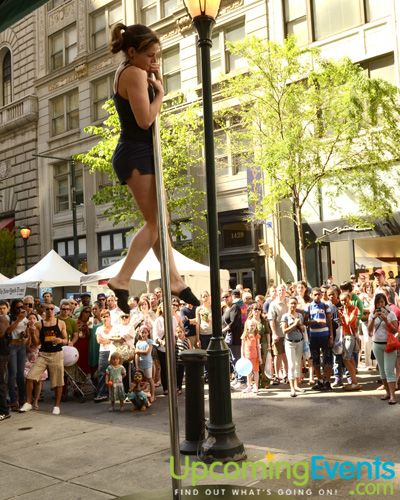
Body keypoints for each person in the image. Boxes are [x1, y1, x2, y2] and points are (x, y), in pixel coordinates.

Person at [104, 23, 199, 313]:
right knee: (157, 222)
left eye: (157, 55)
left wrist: (153, 79)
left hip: (140, 152)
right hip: (135, 153)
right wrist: (160, 94)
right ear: (132, 52)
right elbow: (145, 120)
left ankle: (175, 280)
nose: (154, 62)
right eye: (150, 56)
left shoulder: (134, 69)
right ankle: (121, 278)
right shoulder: (133, 73)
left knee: (161, 222)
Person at [20, 303, 68, 415]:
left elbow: (66, 340)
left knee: (58, 382)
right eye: (48, 309)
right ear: (44, 311)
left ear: (54, 310)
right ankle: (28, 402)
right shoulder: (39, 324)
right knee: (30, 376)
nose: (50, 310)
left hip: (56, 354)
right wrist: (32, 333)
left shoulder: (60, 323)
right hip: (43, 354)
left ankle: (56, 406)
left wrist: (60, 340)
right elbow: (37, 343)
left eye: (52, 308)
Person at [368, 293, 398, 404]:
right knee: (382, 371)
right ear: (375, 304)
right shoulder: (372, 314)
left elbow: (395, 330)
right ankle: (388, 393)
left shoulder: (391, 314)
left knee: (389, 370)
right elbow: (369, 331)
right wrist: (373, 318)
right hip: (377, 344)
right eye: (378, 302)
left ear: (385, 302)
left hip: (389, 344)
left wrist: (386, 320)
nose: (380, 304)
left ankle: (393, 396)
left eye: (382, 302)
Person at [304, 287, 334, 391]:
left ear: (321, 295)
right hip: (313, 337)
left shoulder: (325, 306)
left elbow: (330, 321)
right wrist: (315, 322)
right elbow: (305, 322)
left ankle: (327, 381)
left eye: (319, 294)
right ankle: (320, 381)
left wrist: (331, 336)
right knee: (315, 360)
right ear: (311, 295)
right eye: (315, 294)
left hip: (325, 336)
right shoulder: (308, 307)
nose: (317, 296)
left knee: (327, 359)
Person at [6, 299, 29, 410]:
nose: (20, 309)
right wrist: (18, 320)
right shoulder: (9, 317)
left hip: (21, 347)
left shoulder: (25, 317)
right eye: (17, 307)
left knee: (21, 374)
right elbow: (8, 331)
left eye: (21, 307)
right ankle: (13, 401)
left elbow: (25, 332)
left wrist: (25, 333)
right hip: (12, 347)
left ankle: (22, 399)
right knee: (13, 374)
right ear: (13, 308)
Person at [281, 297, 306, 397]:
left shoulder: (299, 315)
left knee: (297, 364)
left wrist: (300, 325)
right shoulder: (285, 316)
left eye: (295, 303)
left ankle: (296, 385)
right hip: (289, 343)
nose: (293, 305)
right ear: (288, 304)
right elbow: (284, 331)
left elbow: (303, 329)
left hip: (299, 342)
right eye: (291, 303)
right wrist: (294, 324)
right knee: (291, 365)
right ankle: (291, 388)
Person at [338, 293, 361, 391]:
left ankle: (354, 382)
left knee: (346, 359)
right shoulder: (342, 310)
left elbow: (348, 321)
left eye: (345, 300)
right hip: (343, 336)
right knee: (349, 359)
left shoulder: (354, 309)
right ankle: (354, 382)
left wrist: (344, 313)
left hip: (350, 337)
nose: (344, 302)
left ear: (349, 299)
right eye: (342, 300)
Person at [268, 284, 288, 385]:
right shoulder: (273, 304)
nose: (281, 292)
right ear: (276, 292)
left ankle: (287, 375)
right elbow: (271, 320)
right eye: (279, 290)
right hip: (278, 334)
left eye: (283, 290)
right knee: (277, 355)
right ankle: (277, 376)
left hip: (288, 333)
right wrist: (274, 333)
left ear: (286, 291)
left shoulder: (289, 302)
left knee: (286, 355)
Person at [94, 310, 116, 402]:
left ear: (110, 317)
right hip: (103, 352)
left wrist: (107, 340)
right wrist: (110, 340)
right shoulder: (98, 329)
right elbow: (99, 341)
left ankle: (115, 394)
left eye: (107, 316)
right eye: (103, 316)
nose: (105, 318)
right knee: (102, 373)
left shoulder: (115, 328)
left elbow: (116, 339)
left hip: (113, 351)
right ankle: (101, 394)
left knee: (115, 373)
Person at [240, 319, 262, 394]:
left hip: (255, 356)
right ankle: (249, 386)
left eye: (254, 325)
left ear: (256, 327)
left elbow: (258, 346)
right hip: (247, 357)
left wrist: (260, 357)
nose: (252, 327)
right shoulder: (244, 335)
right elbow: (242, 346)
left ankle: (256, 386)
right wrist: (242, 356)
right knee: (248, 372)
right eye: (251, 325)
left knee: (256, 371)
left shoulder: (256, 335)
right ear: (247, 326)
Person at [135, 325, 155, 402]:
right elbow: (136, 355)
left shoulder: (149, 341)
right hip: (140, 364)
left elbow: (147, 352)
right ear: (140, 333)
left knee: (149, 379)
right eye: (142, 332)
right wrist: (137, 366)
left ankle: (153, 395)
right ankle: (142, 395)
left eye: (145, 332)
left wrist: (138, 351)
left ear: (148, 333)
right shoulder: (138, 342)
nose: (143, 334)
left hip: (148, 363)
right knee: (140, 380)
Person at [0, 307, 10, 421]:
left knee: (0, 383)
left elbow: (2, 333)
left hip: (2, 354)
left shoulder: (2, 318)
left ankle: (4, 411)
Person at [175, 325, 190, 394]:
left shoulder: (187, 340)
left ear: (184, 332)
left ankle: (182, 387)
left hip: (185, 360)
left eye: (180, 332)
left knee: (184, 374)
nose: (179, 333)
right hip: (178, 361)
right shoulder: (176, 341)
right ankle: (178, 387)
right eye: (178, 332)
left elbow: (189, 349)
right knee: (178, 374)